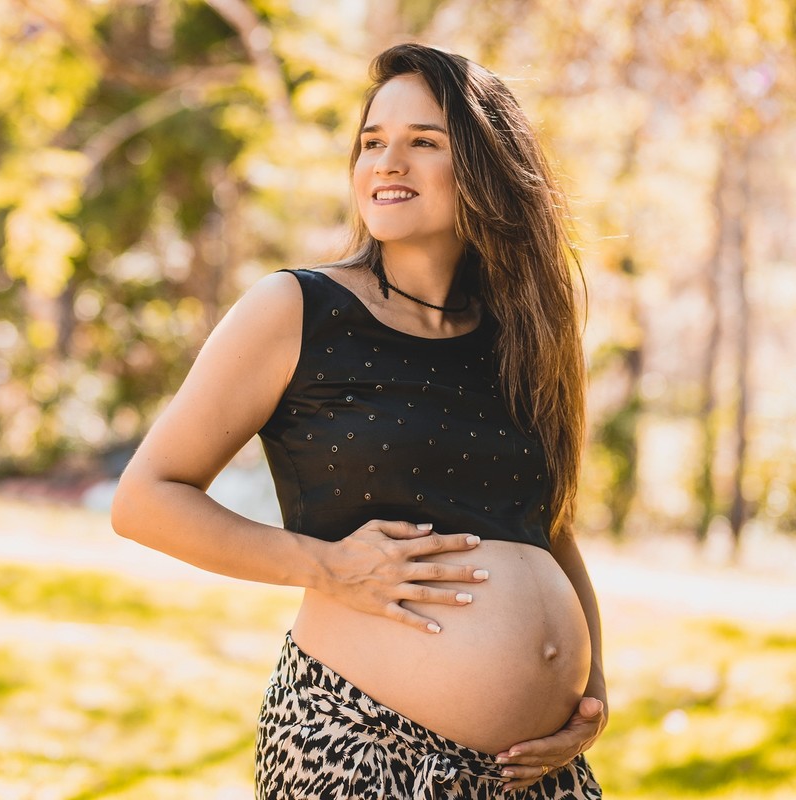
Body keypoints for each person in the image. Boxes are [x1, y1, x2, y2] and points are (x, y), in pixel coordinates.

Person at [111, 42, 605, 799]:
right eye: (373, 142)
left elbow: (549, 526)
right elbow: (145, 498)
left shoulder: (518, 333)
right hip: (359, 742)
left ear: (484, 167)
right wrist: (325, 566)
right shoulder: (298, 310)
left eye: (423, 143)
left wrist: (588, 689)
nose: (387, 162)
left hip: (535, 773)